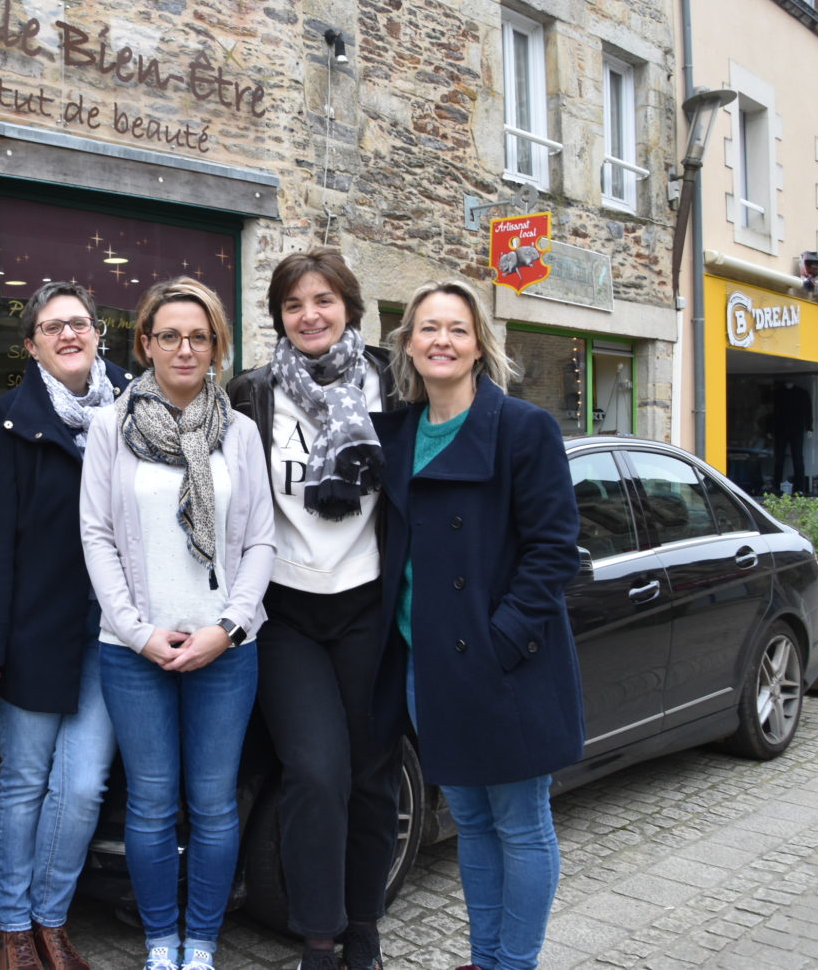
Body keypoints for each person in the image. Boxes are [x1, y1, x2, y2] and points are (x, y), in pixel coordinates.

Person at [373, 279, 583, 970]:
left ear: (479, 344)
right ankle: (484, 957)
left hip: (502, 665)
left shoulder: (523, 428)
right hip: (427, 665)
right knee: (469, 821)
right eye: (428, 328)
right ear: (408, 344)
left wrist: (502, 641)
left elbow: (554, 550)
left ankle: (512, 964)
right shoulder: (398, 434)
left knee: (520, 823)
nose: (442, 340)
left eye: (457, 329)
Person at [80, 277, 275, 970]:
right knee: (152, 803)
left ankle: (202, 945)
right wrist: (137, 631)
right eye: (169, 335)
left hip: (226, 649)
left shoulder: (240, 433)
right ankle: (161, 942)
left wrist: (229, 626)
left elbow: (261, 541)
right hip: (134, 651)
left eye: (199, 336)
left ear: (217, 345)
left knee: (215, 804)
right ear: (146, 343)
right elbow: (96, 535)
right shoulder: (111, 427)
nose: (184, 348)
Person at [225, 249, 404, 970]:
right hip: (287, 612)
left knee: (370, 775)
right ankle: (319, 940)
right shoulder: (253, 392)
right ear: (279, 316)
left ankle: (363, 927)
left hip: (369, 606)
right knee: (316, 771)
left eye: (323, 300)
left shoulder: (393, 384)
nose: (309, 315)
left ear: (349, 307)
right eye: (294, 304)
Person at [0, 283, 134, 970]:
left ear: (98, 334)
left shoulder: (136, 408)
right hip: (33, 631)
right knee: (26, 778)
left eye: (80, 323)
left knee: (84, 784)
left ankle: (51, 919)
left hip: (112, 631)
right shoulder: (8, 422)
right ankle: (12, 927)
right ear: (31, 345)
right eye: (52, 326)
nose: (69, 334)